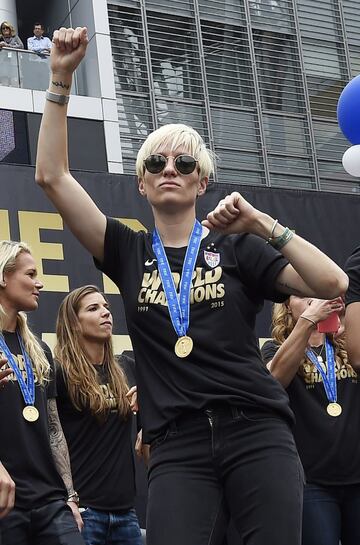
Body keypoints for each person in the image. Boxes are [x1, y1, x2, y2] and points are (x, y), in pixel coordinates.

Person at [35, 26, 348, 545]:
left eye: (184, 163)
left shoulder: (237, 247)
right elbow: (52, 176)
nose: (169, 169)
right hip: (177, 445)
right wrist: (61, 78)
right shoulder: (127, 250)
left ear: (202, 181)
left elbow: (332, 280)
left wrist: (262, 224)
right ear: (142, 182)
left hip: (257, 431)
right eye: (156, 163)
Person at [0, 240, 84, 545]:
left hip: (51, 501)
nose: (39, 283)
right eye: (31, 273)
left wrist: (70, 496)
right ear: (3, 277)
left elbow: (54, 429)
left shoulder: (40, 350)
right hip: (5, 502)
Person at [261, 296, 360, 545]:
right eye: (300, 293)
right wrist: (307, 323)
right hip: (312, 482)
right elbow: (273, 382)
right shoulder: (274, 348)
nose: (311, 297)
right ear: (286, 305)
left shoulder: (348, 344)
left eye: (317, 292)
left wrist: (349, 321)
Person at [54, 285, 143, 545]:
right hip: (84, 512)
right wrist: (68, 499)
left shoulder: (125, 368)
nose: (105, 313)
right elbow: (49, 435)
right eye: (93, 308)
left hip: (126, 513)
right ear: (74, 323)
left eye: (106, 307)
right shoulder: (59, 372)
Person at [0, 22, 23, 87]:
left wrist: (7, 46)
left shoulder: (15, 37)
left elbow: (21, 46)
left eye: (7, 28)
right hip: (3, 62)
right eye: (3, 28)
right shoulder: (0, 38)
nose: (5, 29)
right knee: (4, 81)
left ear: (10, 29)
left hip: (14, 62)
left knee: (15, 81)